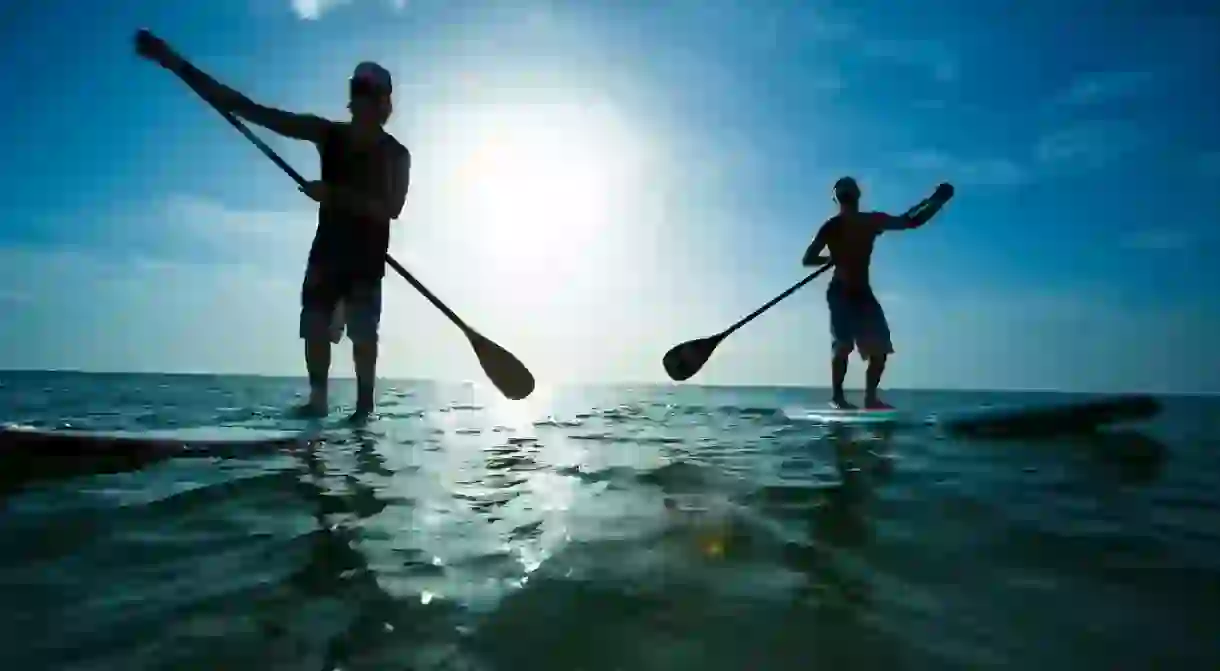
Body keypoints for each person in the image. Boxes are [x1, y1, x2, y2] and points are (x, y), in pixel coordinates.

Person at [136, 34, 412, 421]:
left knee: (363, 341)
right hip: (328, 254)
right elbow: (252, 110)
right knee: (315, 328)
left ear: (385, 102)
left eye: (370, 92)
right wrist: (174, 62)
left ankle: (364, 411)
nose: (362, 99)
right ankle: (318, 403)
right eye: (357, 90)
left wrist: (333, 194)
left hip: (366, 261)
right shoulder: (326, 133)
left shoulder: (397, 155)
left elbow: (391, 209)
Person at [801, 177, 953, 410]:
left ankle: (870, 399)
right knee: (843, 345)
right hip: (840, 292)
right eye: (843, 194)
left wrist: (936, 202)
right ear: (839, 199)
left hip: (863, 295)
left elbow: (910, 221)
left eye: (848, 193)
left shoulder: (871, 221)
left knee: (880, 350)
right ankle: (838, 398)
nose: (847, 197)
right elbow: (808, 259)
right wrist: (831, 258)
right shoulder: (832, 226)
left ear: (856, 196)